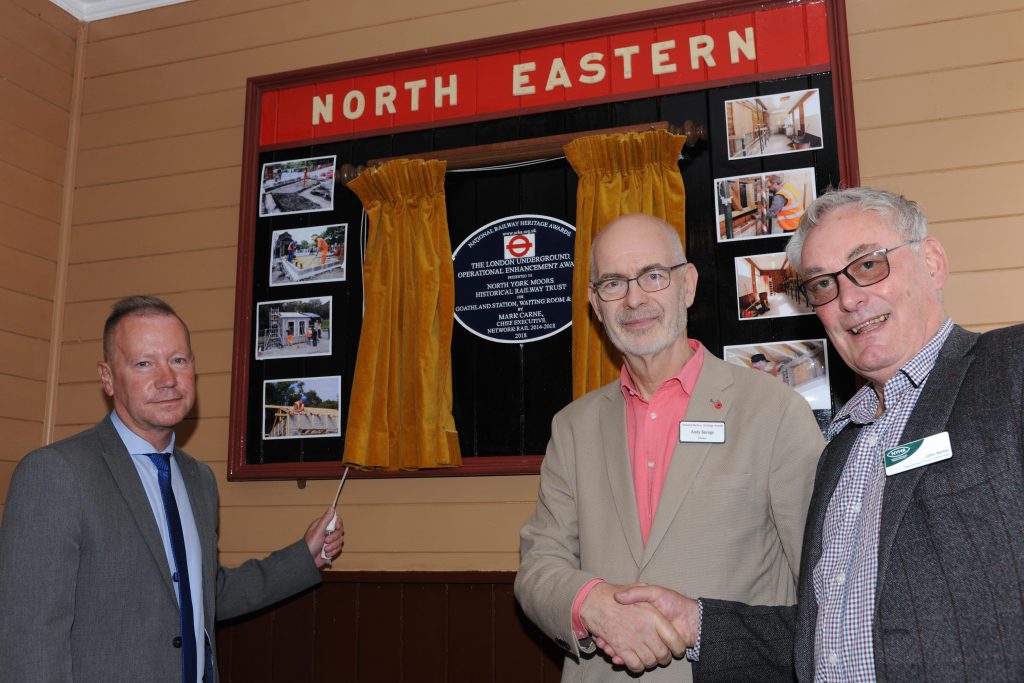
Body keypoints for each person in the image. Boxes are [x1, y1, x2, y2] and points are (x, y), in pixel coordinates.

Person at [615, 187, 1024, 680]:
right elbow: (821, 638)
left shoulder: (1009, 369)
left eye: (868, 265)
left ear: (932, 262)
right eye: (824, 284)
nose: (849, 298)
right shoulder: (840, 451)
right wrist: (696, 622)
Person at [514, 213, 824, 681]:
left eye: (653, 276)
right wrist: (590, 603)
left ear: (688, 285)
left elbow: (825, 586)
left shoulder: (775, 412)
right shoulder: (573, 427)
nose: (634, 299)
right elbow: (538, 566)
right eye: (613, 283)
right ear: (596, 304)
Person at [0, 296, 345, 683]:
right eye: (144, 363)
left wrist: (304, 556)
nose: (167, 379)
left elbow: (204, 594)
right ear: (107, 377)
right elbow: (28, 640)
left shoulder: (199, 480)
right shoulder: (56, 473)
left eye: (178, 360)